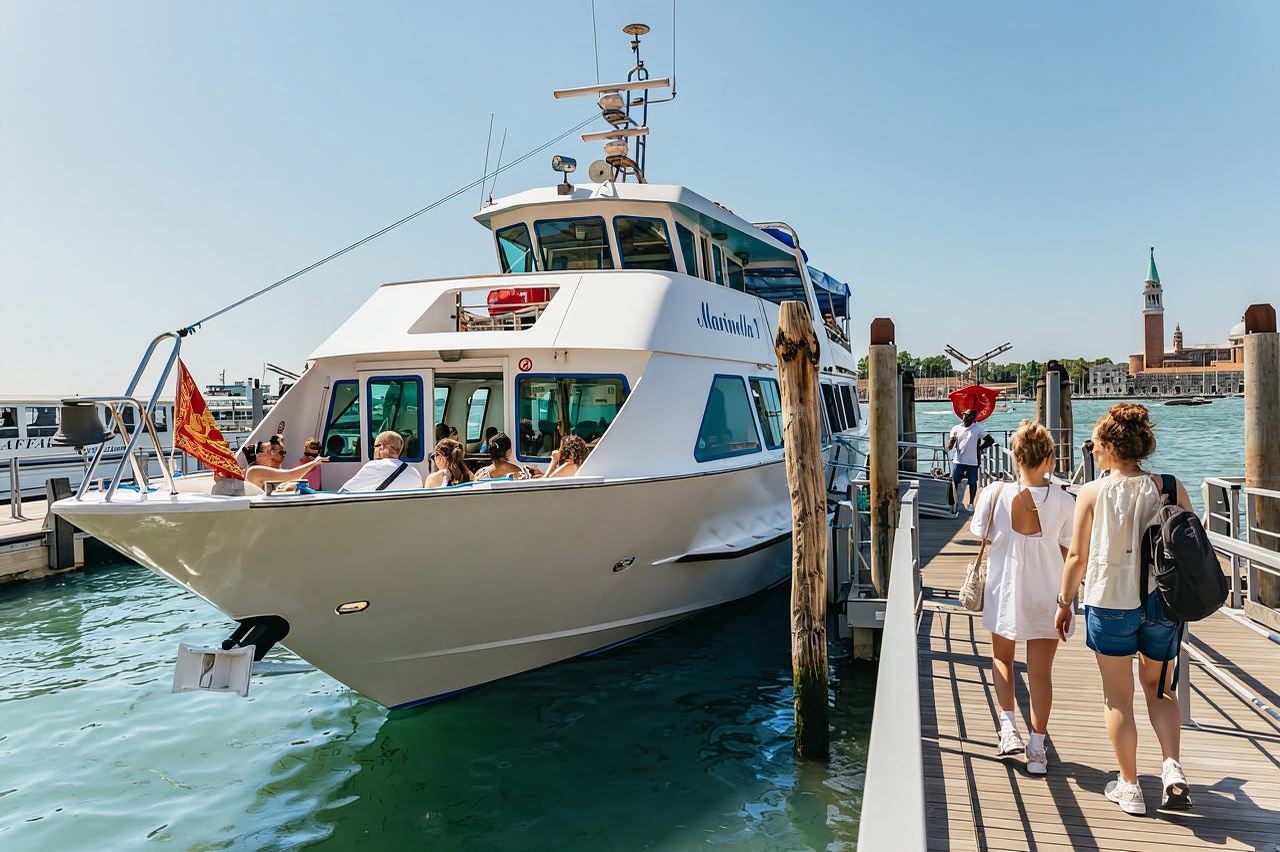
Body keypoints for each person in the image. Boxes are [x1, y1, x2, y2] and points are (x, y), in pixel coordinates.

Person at [1055, 403, 1194, 816]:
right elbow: (1189, 543)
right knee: (1160, 689)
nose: (1093, 450)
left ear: (1111, 447)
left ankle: (1130, 787)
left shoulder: (1093, 492)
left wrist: (1064, 602)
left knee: (1118, 699)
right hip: (1161, 603)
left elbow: (1077, 556)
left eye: (1096, 443)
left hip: (1110, 602)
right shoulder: (1169, 485)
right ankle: (1172, 767)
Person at [970, 421, 1075, 776]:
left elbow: (979, 534)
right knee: (1041, 674)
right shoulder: (1064, 501)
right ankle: (1037, 749)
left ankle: (1008, 728)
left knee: (1002, 660)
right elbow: (1069, 552)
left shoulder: (993, 493)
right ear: (1049, 459)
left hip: (1005, 591)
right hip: (1048, 594)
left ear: (1015, 457)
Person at [339, 431, 423, 492]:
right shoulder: (414, 472)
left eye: (375, 446)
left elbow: (345, 492)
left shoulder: (374, 466)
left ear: (381, 447)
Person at [948, 409, 995, 512]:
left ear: (974, 418)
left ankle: (971, 503)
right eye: (966, 415)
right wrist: (950, 444)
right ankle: (953, 503)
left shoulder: (978, 428)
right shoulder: (956, 428)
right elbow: (950, 443)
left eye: (971, 416)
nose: (968, 418)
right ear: (963, 416)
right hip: (958, 460)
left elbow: (990, 440)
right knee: (954, 481)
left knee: (972, 482)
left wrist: (979, 448)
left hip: (973, 460)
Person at [245, 435, 328, 491]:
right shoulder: (254, 471)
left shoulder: (273, 469)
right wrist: (314, 462)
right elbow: (291, 475)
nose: (273, 453)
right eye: (271, 450)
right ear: (259, 455)